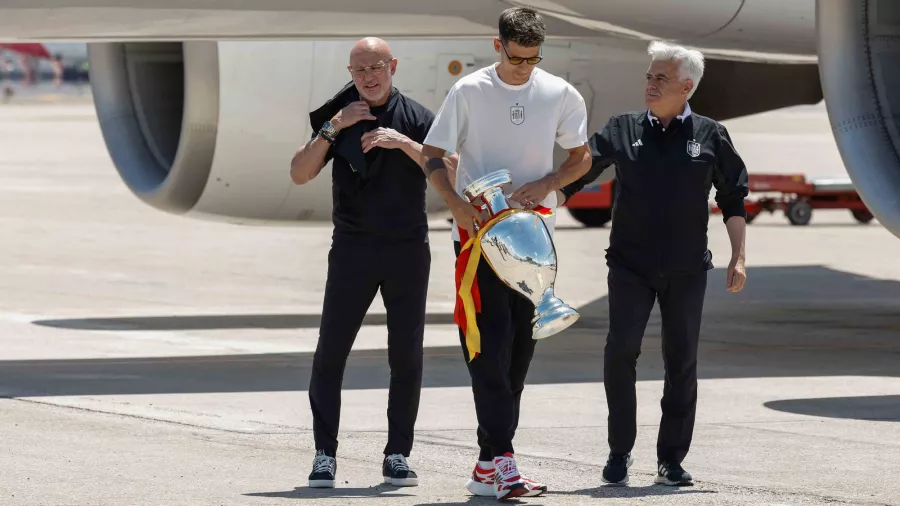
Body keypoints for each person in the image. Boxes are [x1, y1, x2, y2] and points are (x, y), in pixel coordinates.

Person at [559, 40, 749, 487]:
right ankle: (619, 451)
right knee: (620, 353)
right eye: (648, 76)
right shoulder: (623, 128)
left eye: (660, 78)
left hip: (686, 270)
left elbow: (733, 196)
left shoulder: (710, 135)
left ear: (687, 86)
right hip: (629, 267)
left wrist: (739, 257)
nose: (649, 84)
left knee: (681, 362)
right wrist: (546, 191)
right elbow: (582, 170)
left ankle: (671, 459)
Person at [421, 6, 591, 501]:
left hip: (535, 241)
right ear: (498, 47)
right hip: (478, 244)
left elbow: (580, 157)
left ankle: (487, 464)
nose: (524, 68)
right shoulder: (469, 91)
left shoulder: (560, 93)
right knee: (487, 350)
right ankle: (505, 465)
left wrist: (549, 181)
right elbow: (435, 155)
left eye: (533, 59)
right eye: (517, 58)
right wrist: (454, 203)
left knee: (518, 355)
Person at [289, 36, 458, 489]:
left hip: (407, 249)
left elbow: (455, 169)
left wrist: (403, 143)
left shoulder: (418, 117)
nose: (368, 77)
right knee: (331, 352)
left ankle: (397, 454)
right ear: (351, 73)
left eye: (376, 67)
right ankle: (325, 454)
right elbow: (300, 173)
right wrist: (333, 127)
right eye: (359, 70)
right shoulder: (339, 115)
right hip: (353, 249)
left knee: (406, 355)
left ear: (393, 66)